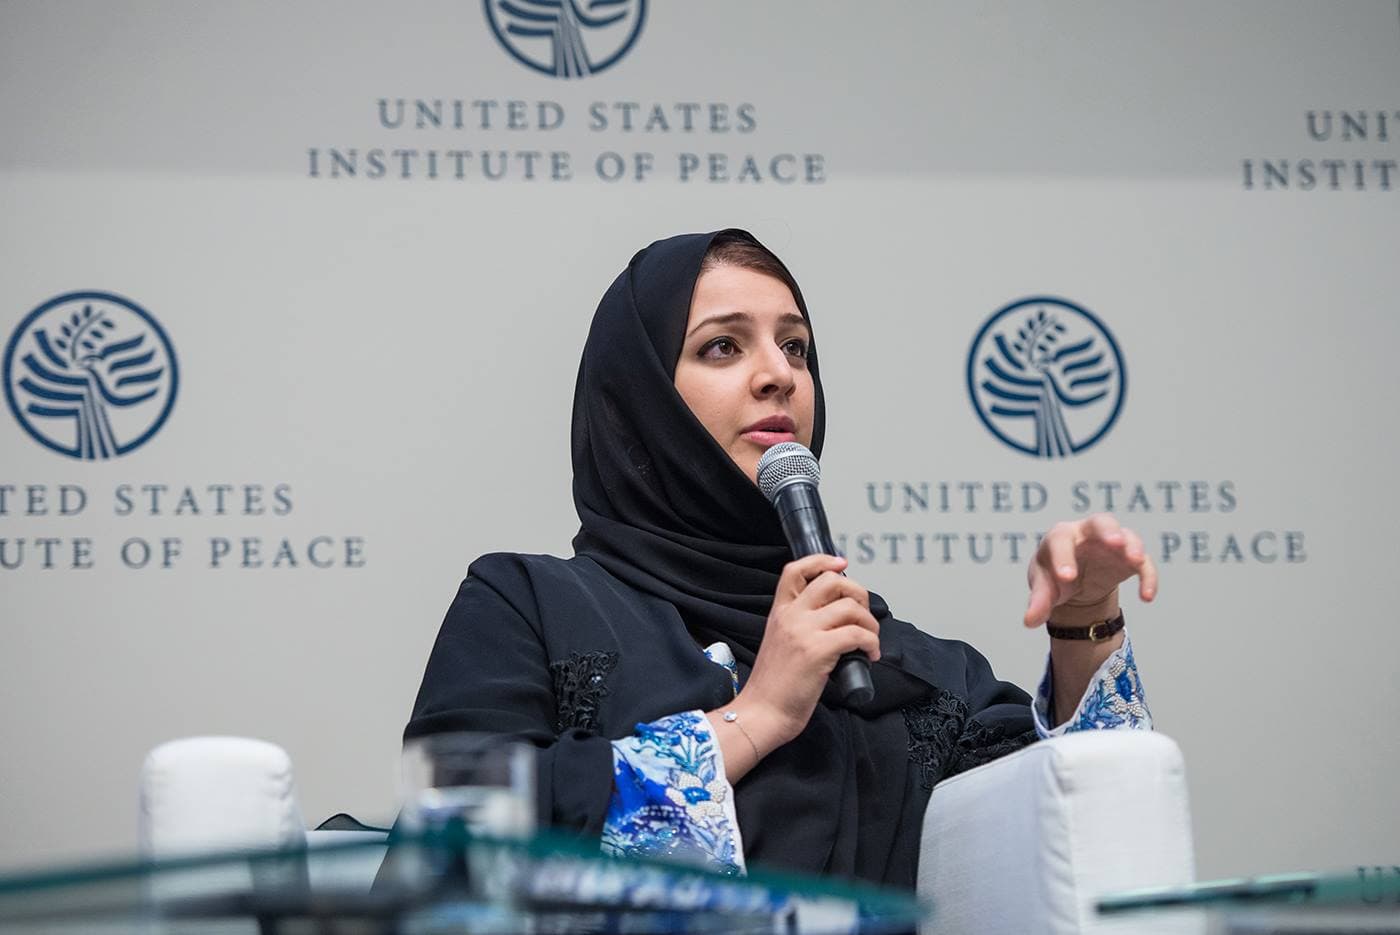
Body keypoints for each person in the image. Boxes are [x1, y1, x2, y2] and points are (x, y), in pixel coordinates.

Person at [404, 229, 1155, 889]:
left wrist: (1082, 626)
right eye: (723, 346)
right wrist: (758, 712)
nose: (780, 375)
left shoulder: (901, 666)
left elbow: (1063, 848)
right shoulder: (530, 605)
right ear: (638, 399)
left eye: (794, 346)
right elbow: (452, 845)